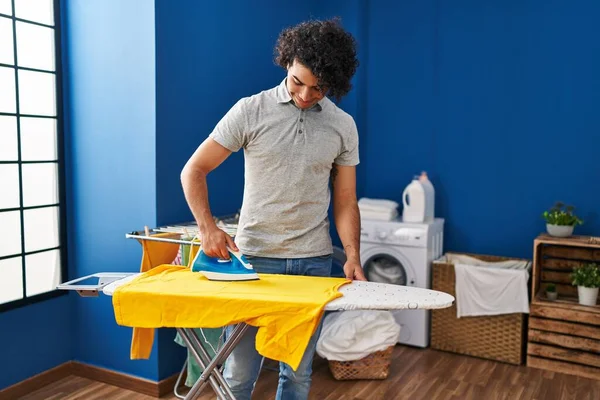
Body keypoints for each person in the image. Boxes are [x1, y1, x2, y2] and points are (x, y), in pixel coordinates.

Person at [180, 17, 366, 400]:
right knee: (239, 373)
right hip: (254, 262)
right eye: (299, 82)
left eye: (318, 89)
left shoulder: (343, 125)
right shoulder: (250, 111)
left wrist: (351, 254)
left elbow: (346, 200)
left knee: (297, 376)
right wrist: (207, 228)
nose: (304, 95)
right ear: (287, 62)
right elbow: (193, 170)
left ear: (335, 84)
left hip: (313, 264)